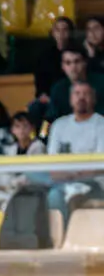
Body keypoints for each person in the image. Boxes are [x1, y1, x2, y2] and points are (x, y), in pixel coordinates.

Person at [46, 82, 104, 225]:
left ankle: (66, 235)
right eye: (77, 94)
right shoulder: (59, 125)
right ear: (71, 99)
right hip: (62, 180)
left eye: (86, 94)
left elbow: (99, 166)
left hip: (93, 182)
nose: (81, 97)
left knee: (54, 195)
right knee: (32, 175)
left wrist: (73, 175)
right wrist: (68, 176)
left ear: (94, 99)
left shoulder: (101, 124)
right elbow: (51, 163)